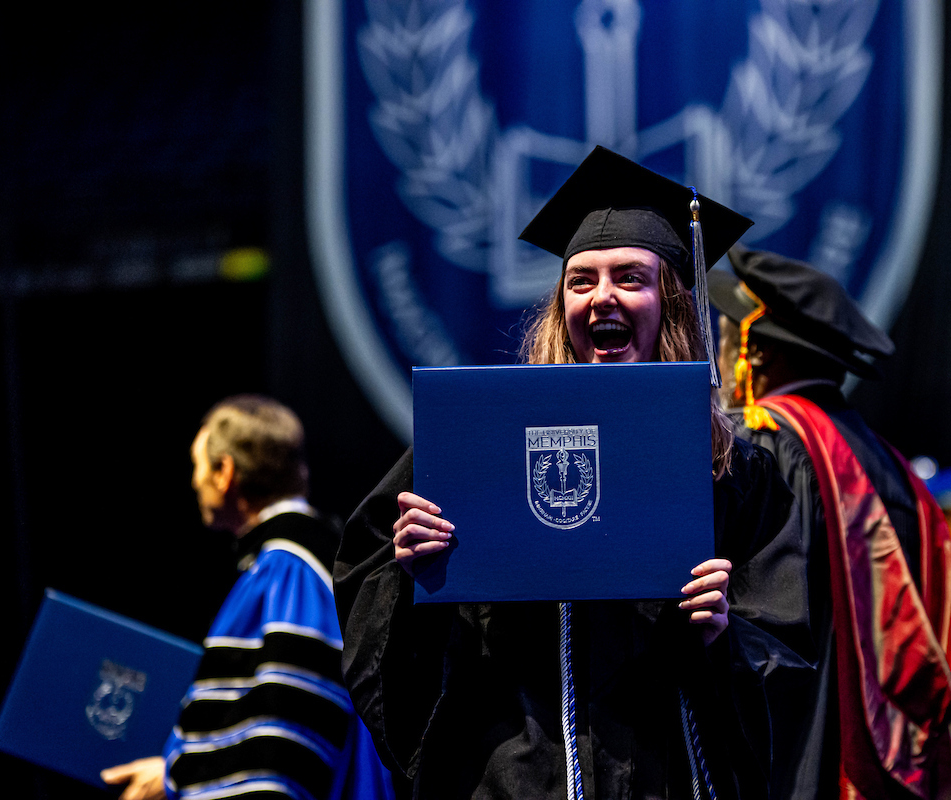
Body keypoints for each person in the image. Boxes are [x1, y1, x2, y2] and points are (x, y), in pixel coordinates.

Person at [334, 147, 804, 800]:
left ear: (671, 303)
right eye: (581, 281)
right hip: (507, 777)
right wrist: (406, 570)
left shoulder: (733, 470)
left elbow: (786, 646)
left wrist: (724, 635)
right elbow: (371, 593)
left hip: (665, 771)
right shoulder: (483, 442)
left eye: (629, 278)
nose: (601, 296)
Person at [709, 248, 951, 800]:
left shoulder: (769, 446)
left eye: (729, 336)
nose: (722, 350)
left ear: (755, 356)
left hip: (807, 761)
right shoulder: (897, 474)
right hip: (890, 773)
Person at [102, 395, 393, 800]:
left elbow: (284, 737)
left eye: (197, 465)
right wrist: (173, 773)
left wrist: (177, 778)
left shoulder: (289, 570)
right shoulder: (308, 561)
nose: (193, 480)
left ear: (225, 472)